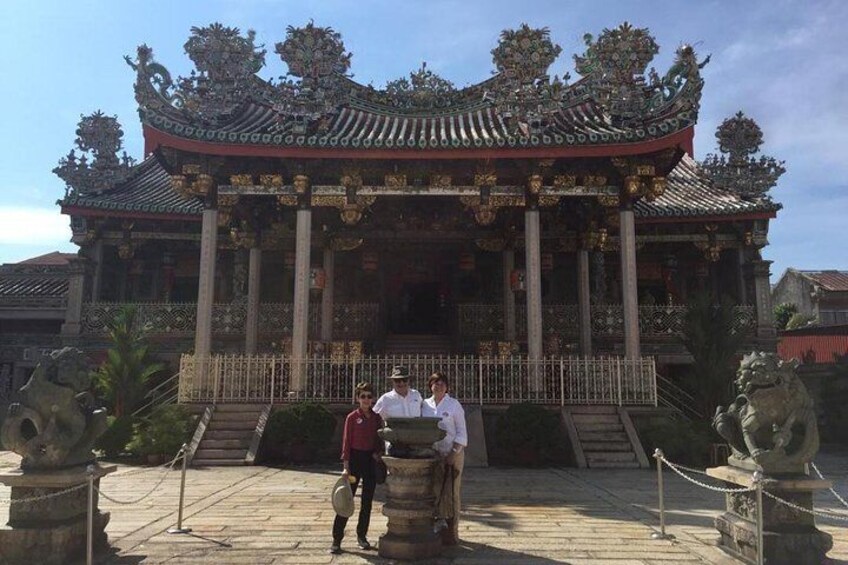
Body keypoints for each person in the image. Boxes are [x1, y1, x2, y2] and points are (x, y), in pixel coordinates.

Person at [331, 382, 382, 555]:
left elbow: (379, 440)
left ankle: (362, 535)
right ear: (357, 398)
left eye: (369, 396)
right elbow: (346, 443)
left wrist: (378, 453)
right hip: (354, 460)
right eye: (363, 396)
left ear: (373, 398)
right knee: (346, 499)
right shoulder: (352, 417)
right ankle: (337, 539)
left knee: (366, 501)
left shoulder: (376, 418)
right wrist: (346, 466)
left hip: (369, 461)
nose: (366, 400)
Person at [422, 371, 467, 545]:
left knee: (452, 492)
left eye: (442, 383)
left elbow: (462, 432)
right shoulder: (425, 405)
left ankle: (452, 532)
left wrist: (453, 453)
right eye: (435, 383)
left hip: (452, 454)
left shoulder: (454, 405)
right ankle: (433, 526)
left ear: (447, 386)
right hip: (432, 455)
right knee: (432, 490)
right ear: (430, 386)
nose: (438, 385)